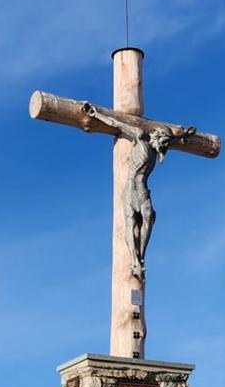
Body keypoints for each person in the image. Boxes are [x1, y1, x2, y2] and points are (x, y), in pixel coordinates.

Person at [82, 103, 194, 278]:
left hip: (143, 189)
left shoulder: (159, 147)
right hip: (130, 189)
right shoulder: (140, 137)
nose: (164, 147)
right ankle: (134, 260)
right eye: (163, 142)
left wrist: (184, 135)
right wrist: (97, 115)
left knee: (149, 217)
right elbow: (118, 124)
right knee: (131, 222)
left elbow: (170, 141)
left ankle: (141, 256)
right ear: (157, 136)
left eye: (166, 144)